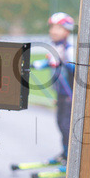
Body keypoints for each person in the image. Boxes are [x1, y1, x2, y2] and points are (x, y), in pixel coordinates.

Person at [32, 12, 76, 164]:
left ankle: (72, 157)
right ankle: (65, 154)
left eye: (58, 28)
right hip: (61, 94)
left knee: (67, 125)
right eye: (52, 27)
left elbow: (74, 68)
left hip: (71, 95)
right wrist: (36, 64)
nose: (53, 31)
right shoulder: (55, 47)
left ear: (67, 30)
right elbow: (49, 61)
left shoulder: (70, 48)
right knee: (60, 123)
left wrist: (63, 63)